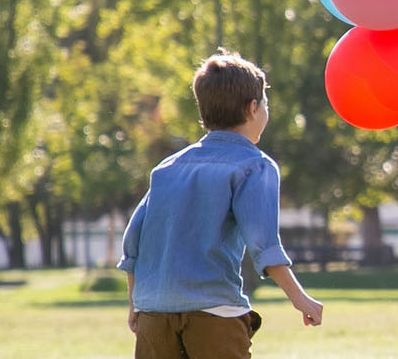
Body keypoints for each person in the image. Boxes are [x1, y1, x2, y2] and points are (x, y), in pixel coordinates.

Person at [119, 52, 325, 359]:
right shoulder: (254, 166)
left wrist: (136, 302)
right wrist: (300, 298)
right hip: (214, 314)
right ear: (252, 108)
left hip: (154, 315)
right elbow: (263, 244)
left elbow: (133, 241)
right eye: (265, 104)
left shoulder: (167, 168)